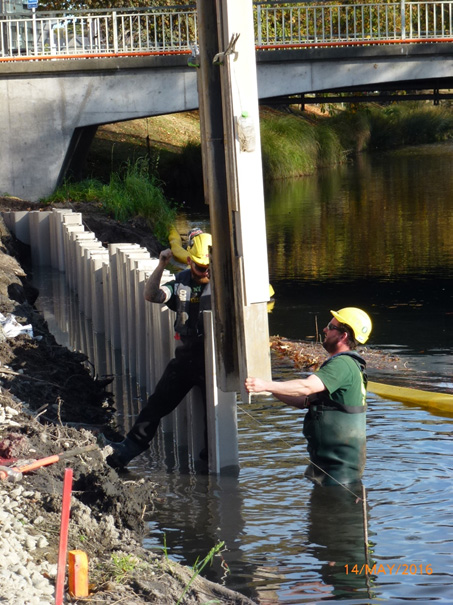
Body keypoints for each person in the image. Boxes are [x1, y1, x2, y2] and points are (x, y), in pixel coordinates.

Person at [104, 232, 212, 468]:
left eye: (208, 268)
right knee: (156, 405)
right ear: (189, 261)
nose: (205, 272)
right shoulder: (181, 282)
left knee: (214, 415)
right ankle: (129, 448)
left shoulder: (223, 284)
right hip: (186, 359)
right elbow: (151, 295)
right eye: (201, 267)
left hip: (214, 360)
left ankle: (209, 464)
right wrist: (162, 264)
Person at [245, 307, 372, 486]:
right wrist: (270, 388)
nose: (324, 330)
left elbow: (306, 386)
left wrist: (266, 384)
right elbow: (304, 400)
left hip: (338, 474)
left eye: (330, 326)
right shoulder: (344, 365)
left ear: (343, 336)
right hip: (325, 467)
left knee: (332, 511)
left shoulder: (343, 364)